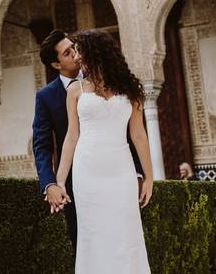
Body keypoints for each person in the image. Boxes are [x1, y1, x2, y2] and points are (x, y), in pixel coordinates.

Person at [51, 29, 153, 273]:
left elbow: (138, 135)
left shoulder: (130, 89)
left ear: (96, 53)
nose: (76, 57)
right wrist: (60, 181)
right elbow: (71, 137)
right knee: (94, 235)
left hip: (121, 171)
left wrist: (149, 177)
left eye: (79, 50)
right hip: (88, 173)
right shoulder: (75, 90)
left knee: (124, 233)